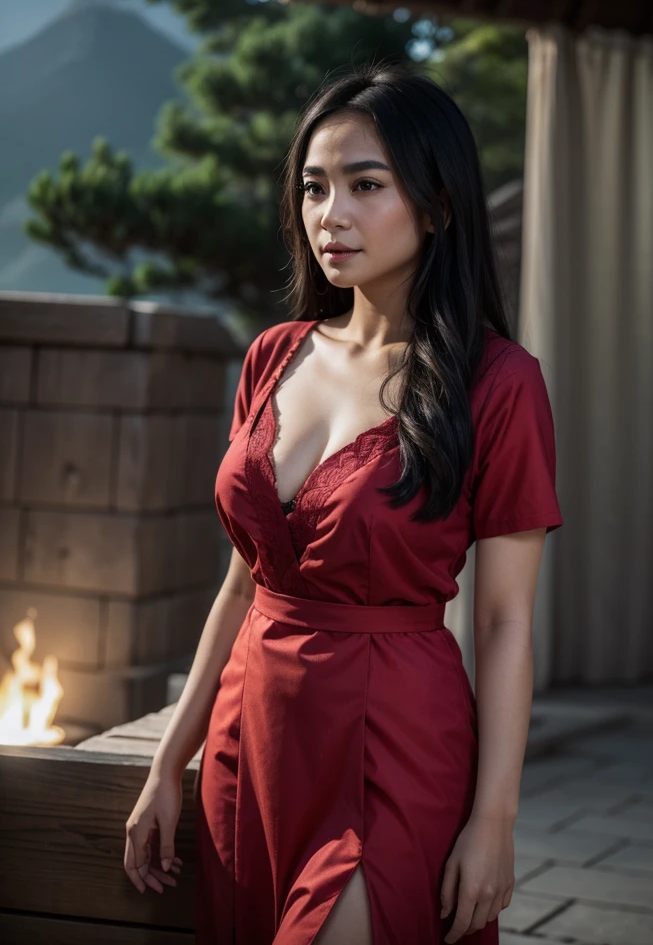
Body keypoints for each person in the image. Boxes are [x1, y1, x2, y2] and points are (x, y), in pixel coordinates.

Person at [122, 60, 563, 945]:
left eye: (367, 185)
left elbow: (508, 622)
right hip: (253, 741)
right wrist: (171, 758)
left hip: (393, 740)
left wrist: (498, 819)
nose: (332, 215)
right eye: (315, 188)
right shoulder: (274, 355)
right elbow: (244, 586)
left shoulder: (499, 382)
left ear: (437, 203)